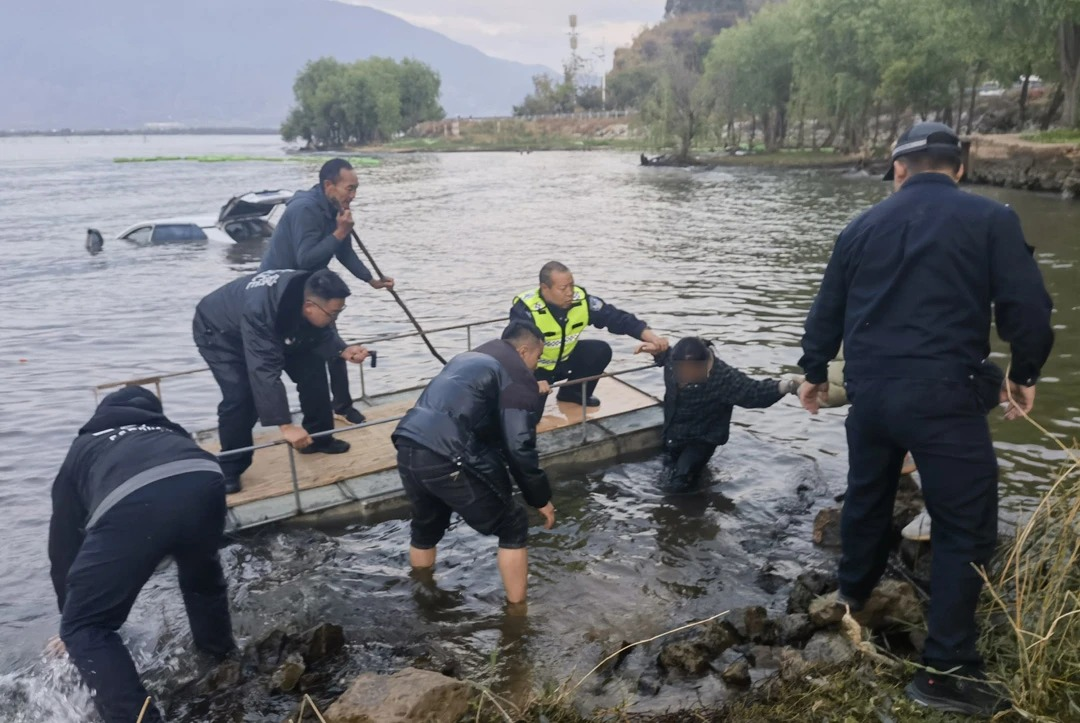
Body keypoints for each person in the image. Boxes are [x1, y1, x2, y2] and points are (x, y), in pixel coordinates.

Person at [797, 121, 1054, 716]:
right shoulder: (991, 218)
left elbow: (826, 309)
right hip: (945, 396)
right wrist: (1024, 372)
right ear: (959, 168)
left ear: (899, 169)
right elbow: (1027, 307)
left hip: (871, 396)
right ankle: (945, 671)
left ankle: (852, 597)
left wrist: (814, 371)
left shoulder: (859, 227)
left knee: (867, 495)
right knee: (966, 526)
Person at [49, 386, 235, 723]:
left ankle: (136, 718)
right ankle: (222, 660)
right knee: (201, 579)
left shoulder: (84, 445)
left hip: (134, 498)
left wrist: (71, 617)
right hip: (205, 476)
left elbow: (63, 543)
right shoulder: (168, 431)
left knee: (87, 626)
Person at [392, 322, 556, 605]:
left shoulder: (471, 357)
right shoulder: (518, 377)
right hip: (447, 454)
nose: (536, 365)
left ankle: (421, 593)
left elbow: (477, 417)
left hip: (408, 443)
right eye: (537, 357)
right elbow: (519, 445)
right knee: (513, 523)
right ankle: (517, 613)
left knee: (426, 526)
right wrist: (540, 498)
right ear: (523, 351)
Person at [193, 268, 370, 493]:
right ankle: (230, 466)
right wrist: (286, 426)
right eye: (334, 313)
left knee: (313, 373)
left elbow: (321, 331)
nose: (335, 318)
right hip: (221, 332)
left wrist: (342, 349)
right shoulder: (261, 310)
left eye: (339, 311)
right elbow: (264, 370)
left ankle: (319, 438)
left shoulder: (310, 293)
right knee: (241, 395)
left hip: (276, 326)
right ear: (309, 306)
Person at [260, 158, 394, 426]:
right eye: (349, 189)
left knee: (334, 343)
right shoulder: (304, 209)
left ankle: (341, 406)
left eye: (356, 189)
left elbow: (343, 251)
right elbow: (306, 259)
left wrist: (369, 279)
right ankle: (288, 419)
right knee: (312, 349)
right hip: (280, 292)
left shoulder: (335, 207)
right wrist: (341, 231)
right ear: (329, 185)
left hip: (310, 285)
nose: (353, 196)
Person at [637, 337, 801, 491]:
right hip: (674, 434)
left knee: (679, 483)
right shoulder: (672, 363)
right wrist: (657, 352)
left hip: (702, 438)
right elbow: (665, 356)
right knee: (668, 470)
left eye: (693, 372)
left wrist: (790, 386)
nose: (686, 377)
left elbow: (754, 393)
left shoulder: (724, 378)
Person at [509, 261, 669, 407]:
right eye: (563, 288)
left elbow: (618, 318)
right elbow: (513, 352)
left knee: (600, 350)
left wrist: (653, 338)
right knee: (530, 419)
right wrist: (530, 381)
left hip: (565, 360)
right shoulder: (526, 310)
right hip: (536, 370)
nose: (570, 293)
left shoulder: (582, 300)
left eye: (572, 285)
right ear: (545, 288)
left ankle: (573, 393)